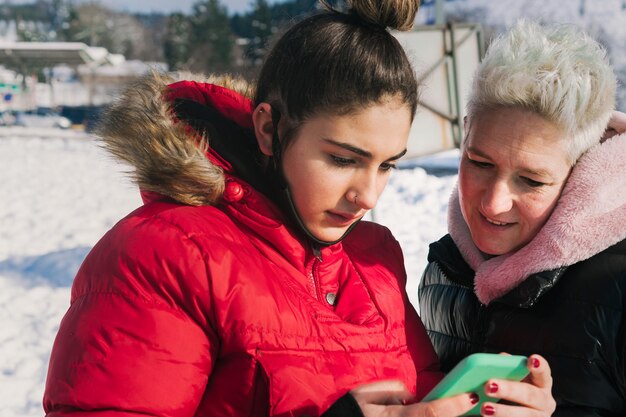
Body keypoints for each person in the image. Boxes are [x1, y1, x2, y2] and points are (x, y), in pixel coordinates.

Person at [44, 2, 554, 416]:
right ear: (269, 128)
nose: (368, 196)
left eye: (386, 165)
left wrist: (480, 406)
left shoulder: (374, 262)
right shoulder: (164, 254)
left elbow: (418, 392)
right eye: (342, 159)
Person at [419, 20, 626, 417]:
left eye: (531, 180)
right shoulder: (442, 269)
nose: (494, 204)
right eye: (479, 163)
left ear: (580, 174)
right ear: (465, 136)